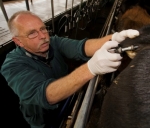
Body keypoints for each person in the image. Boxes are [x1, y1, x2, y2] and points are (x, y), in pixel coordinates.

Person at [0, 10, 139, 128]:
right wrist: (90, 68)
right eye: (32, 33)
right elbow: (46, 94)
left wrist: (115, 38)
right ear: (18, 41)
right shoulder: (12, 65)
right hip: (42, 117)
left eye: (43, 28)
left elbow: (82, 47)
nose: (43, 36)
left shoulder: (54, 42)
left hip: (67, 96)